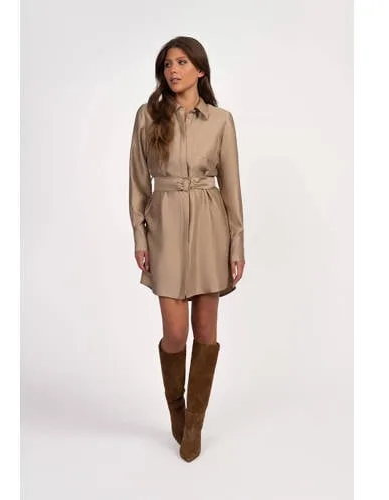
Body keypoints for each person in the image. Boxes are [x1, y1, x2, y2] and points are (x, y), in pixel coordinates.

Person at [128, 36, 245, 462]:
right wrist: (140, 236)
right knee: (176, 334)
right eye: (167, 64)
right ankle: (176, 409)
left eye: (181, 62)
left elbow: (231, 184)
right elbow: (138, 182)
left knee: (206, 330)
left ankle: (194, 422)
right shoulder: (147, 116)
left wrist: (237, 242)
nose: (173, 70)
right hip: (166, 224)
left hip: (211, 224)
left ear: (200, 70)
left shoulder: (221, 120)